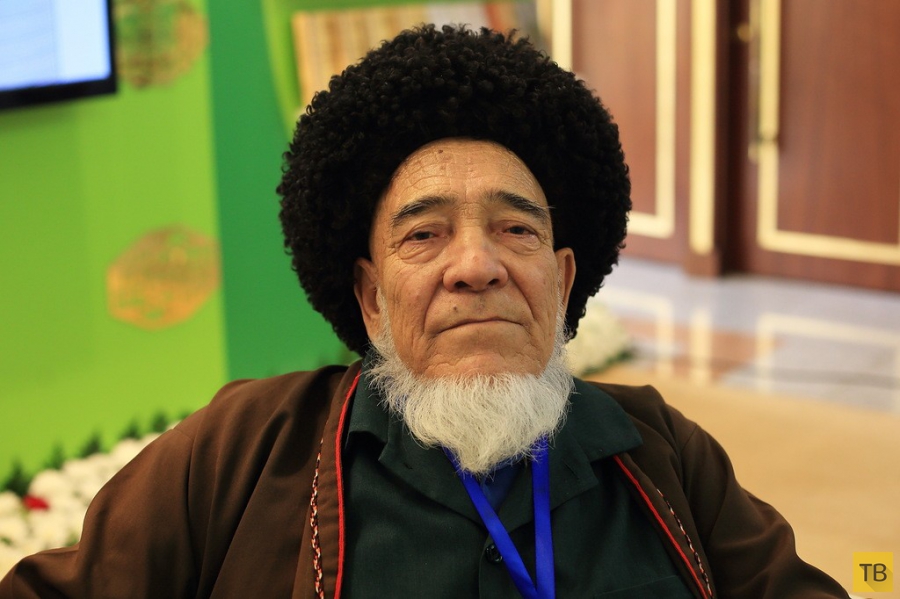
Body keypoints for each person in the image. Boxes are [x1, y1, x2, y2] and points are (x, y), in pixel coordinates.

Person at [1, 25, 849, 599]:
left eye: (515, 229)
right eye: (424, 234)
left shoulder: (664, 456)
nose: (476, 266)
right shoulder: (238, 454)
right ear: (372, 297)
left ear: (561, 281)